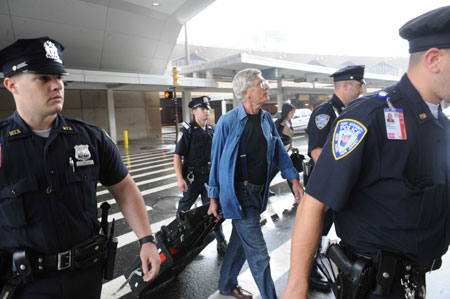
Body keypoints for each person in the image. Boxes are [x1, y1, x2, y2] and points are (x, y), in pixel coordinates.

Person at [282, 6, 450, 299]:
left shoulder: (440, 123)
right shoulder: (368, 116)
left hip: (414, 281)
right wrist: (296, 289)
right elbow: (314, 203)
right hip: (373, 286)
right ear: (434, 59)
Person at [0, 37, 160, 299]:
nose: (56, 86)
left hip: (85, 277)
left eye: (59, 77)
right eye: (43, 78)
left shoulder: (90, 137)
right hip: (24, 285)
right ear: (11, 85)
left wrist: (146, 240)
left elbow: (124, 188)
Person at [207, 68, 304, 299]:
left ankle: (226, 284)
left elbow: (280, 152)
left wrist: (294, 180)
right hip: (240, 196)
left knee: (239, 243)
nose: (266, 86)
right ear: (245, 92)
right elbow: (217, 161)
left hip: (259, 194)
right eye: (261, 84)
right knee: (259, 255)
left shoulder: (266, 119)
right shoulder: (228, 122)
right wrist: (213, 199)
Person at [304, 64, 365, 291]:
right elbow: (317, 152)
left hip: (341, 185)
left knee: (335, 230)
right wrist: (342, 178)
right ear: (346, 85)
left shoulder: (351, 111)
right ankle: (307, 273)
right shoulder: (325, 112)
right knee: (316, 230)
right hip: (326, 185)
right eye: (358, 85)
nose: (360, 90)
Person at [173, 96, 227, 256]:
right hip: (193, 177)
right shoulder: (187, 130)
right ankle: (179, 242)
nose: (206, 111)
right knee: (184, 209)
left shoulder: (212, 130)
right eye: (203, 108)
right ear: (194, 111)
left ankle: (221, 241)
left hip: (209, 176)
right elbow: (177, 155)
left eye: (207, 108)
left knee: (213, 208)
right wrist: (179, 178)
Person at [268, 103, 297, 196]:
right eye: (291, 112)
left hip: (285, 151)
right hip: (278, 153)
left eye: (293, 112)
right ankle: (263, 191)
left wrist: (292, 147)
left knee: (289, 172)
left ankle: (296, 192)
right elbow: (274, 138)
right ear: (286, 112)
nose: (292, 114)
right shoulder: (279, 122)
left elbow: (289, 137)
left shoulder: (289, 122)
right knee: (271, 174)